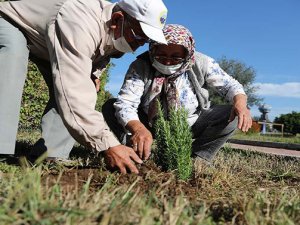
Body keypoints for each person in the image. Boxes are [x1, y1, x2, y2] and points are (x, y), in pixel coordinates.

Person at [0, 0, 168, 173]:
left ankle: (48, 155)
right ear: (118, 19)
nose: (141, 44)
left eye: (146, 39)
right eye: (139, 35)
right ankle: (1, 150)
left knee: (84, 86)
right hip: (10, 22)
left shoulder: (118, 31)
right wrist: (107, 145)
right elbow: (73, 91)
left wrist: (94, 74)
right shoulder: (80, 20)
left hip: (47, 40)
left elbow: (102, 52)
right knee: (13, 53)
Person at [103, 24, 252, 171]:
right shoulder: (140, 66)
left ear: (188, 54)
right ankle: (129, 153)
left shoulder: (201, 62)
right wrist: (138, 128)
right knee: (111, 107)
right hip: (149, 123)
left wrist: (240, 103)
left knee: (233, 114)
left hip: (190, 123)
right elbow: (126, 103)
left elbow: (231, 86)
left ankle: (198, 157)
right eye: (161, 55)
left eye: (176, 57)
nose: (167, 62)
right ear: (152, 49)